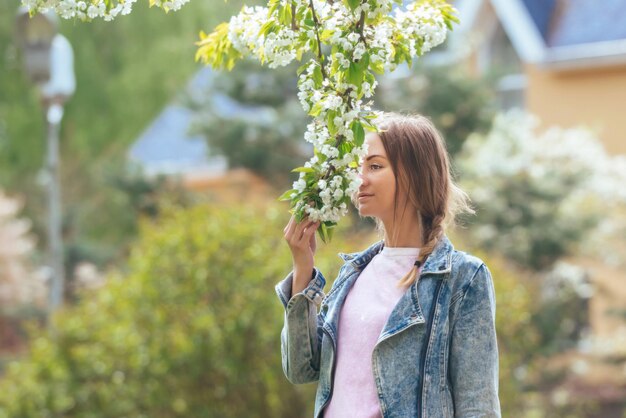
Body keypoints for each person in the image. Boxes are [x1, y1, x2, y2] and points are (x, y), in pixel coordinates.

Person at [276, 112, 501, 418]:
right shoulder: (353, 274)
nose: (360, 178)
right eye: (358, 167)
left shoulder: (462, 278)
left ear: (413, 174)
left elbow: (478, 406)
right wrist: (303, 269)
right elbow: (301, 369)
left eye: (375, 166)